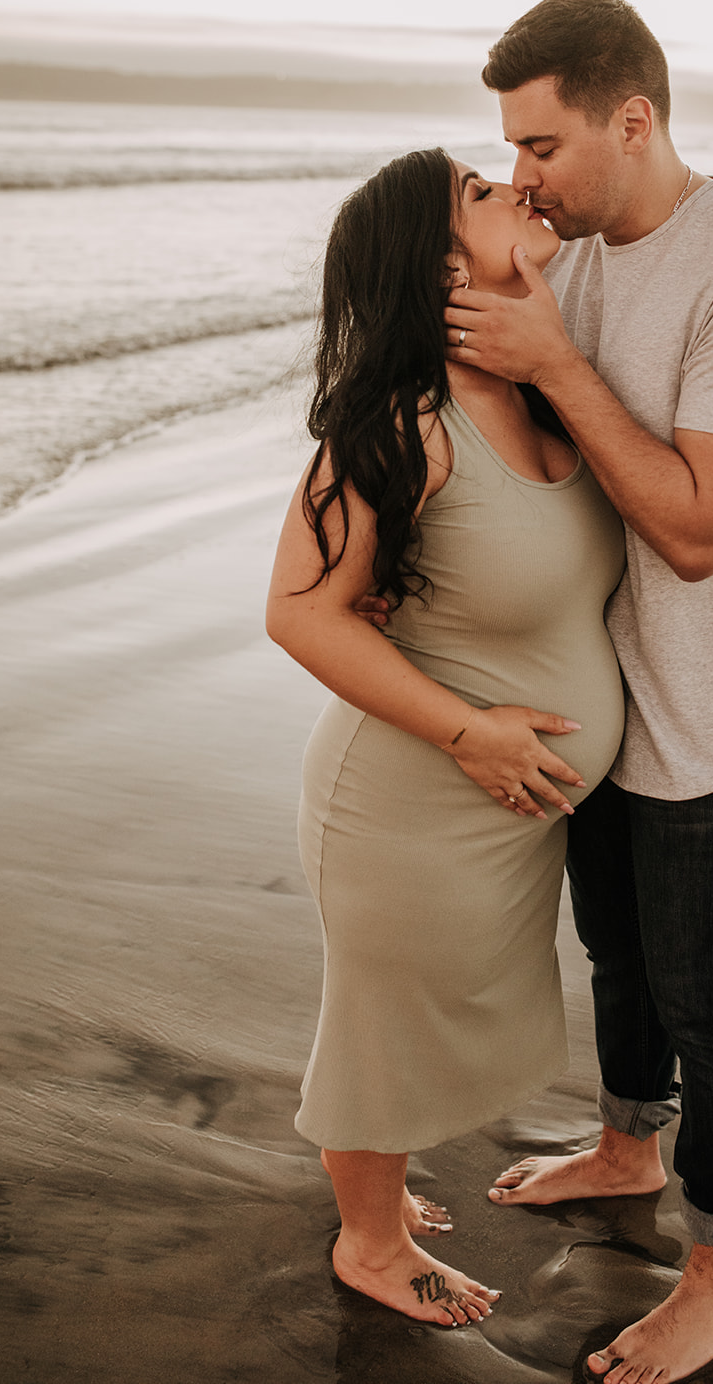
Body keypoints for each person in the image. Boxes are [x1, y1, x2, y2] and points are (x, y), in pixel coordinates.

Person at [444, 0, 713, 1383]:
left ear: (632, 119)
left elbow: (691, 529)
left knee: (703, 993)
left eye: (542, 146)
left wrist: (548, 352)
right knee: (612, 954)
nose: (520, 180)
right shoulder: (561, 253)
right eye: (506, 150)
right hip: (592, 688)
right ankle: (625, 1144)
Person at [266, 147, 626, 1329]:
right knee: (384, 1020)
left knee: (434, 1008)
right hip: (409, 798)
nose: (518, 187)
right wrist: (470, 730)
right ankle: (368, 1242)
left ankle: (378, 1194)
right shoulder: (398, 426)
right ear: (437, 265)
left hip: (501, 812)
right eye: (483, 189)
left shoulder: (532, 393)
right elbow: (299, 610)